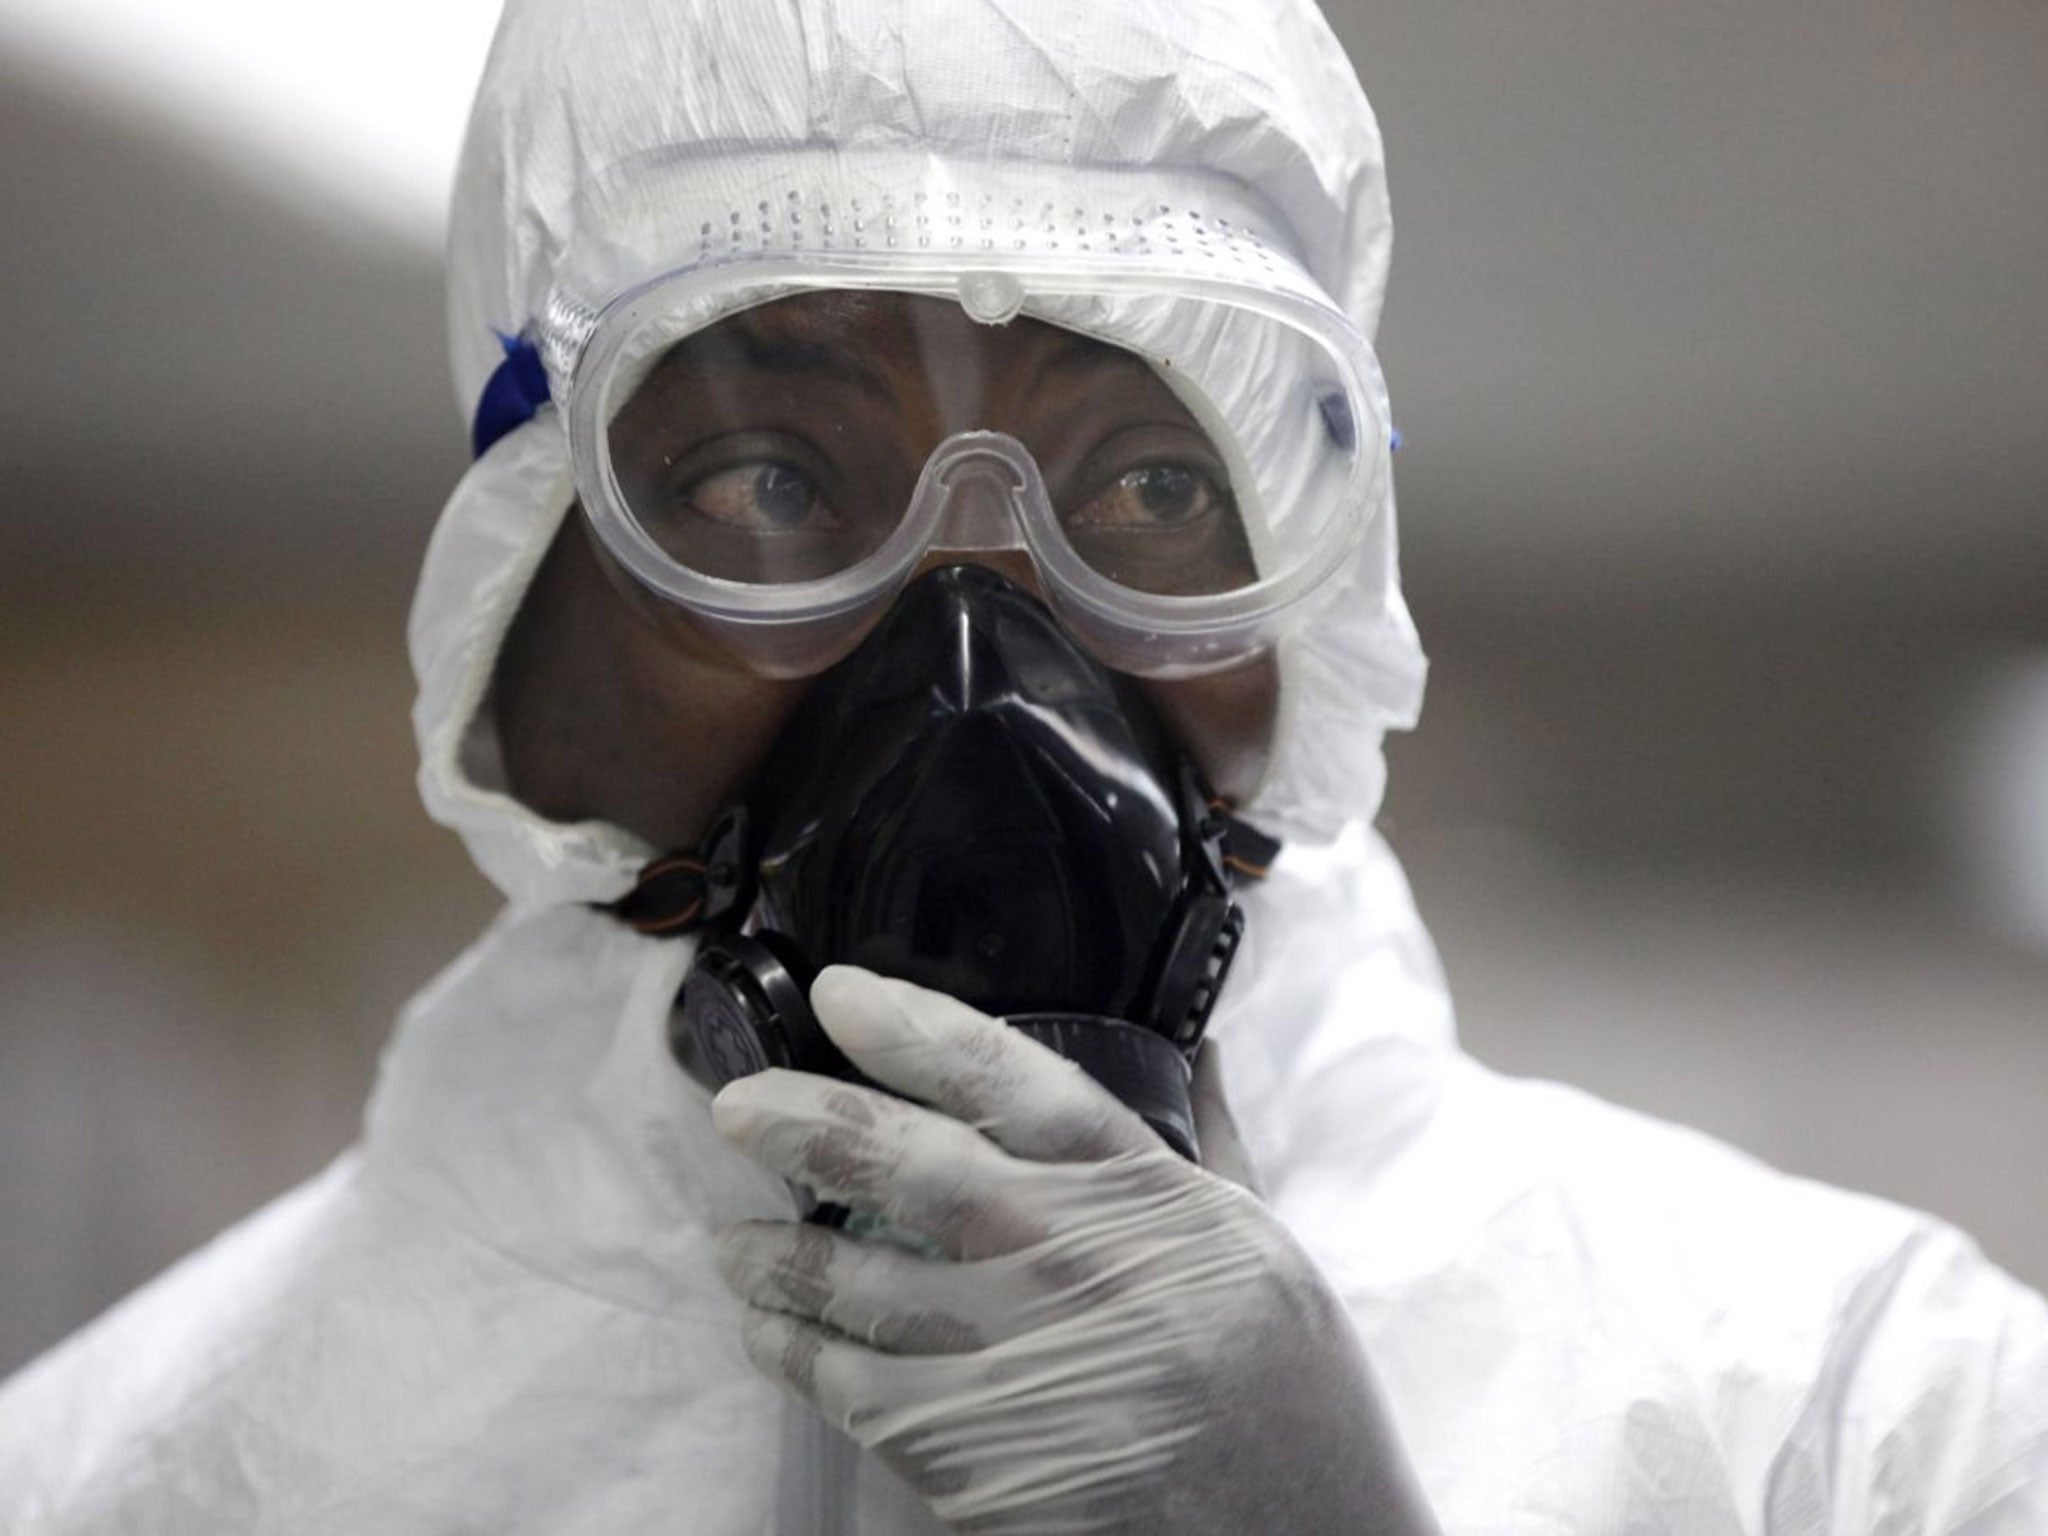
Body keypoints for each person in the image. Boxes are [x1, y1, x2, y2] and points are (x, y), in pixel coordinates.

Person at [3, 0, 2044, 1530]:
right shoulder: (155, 1479)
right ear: (527, 613)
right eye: (772, 478)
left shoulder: (1847, 1416)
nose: (976, 648)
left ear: (1299, 614)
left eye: (1148, 482)